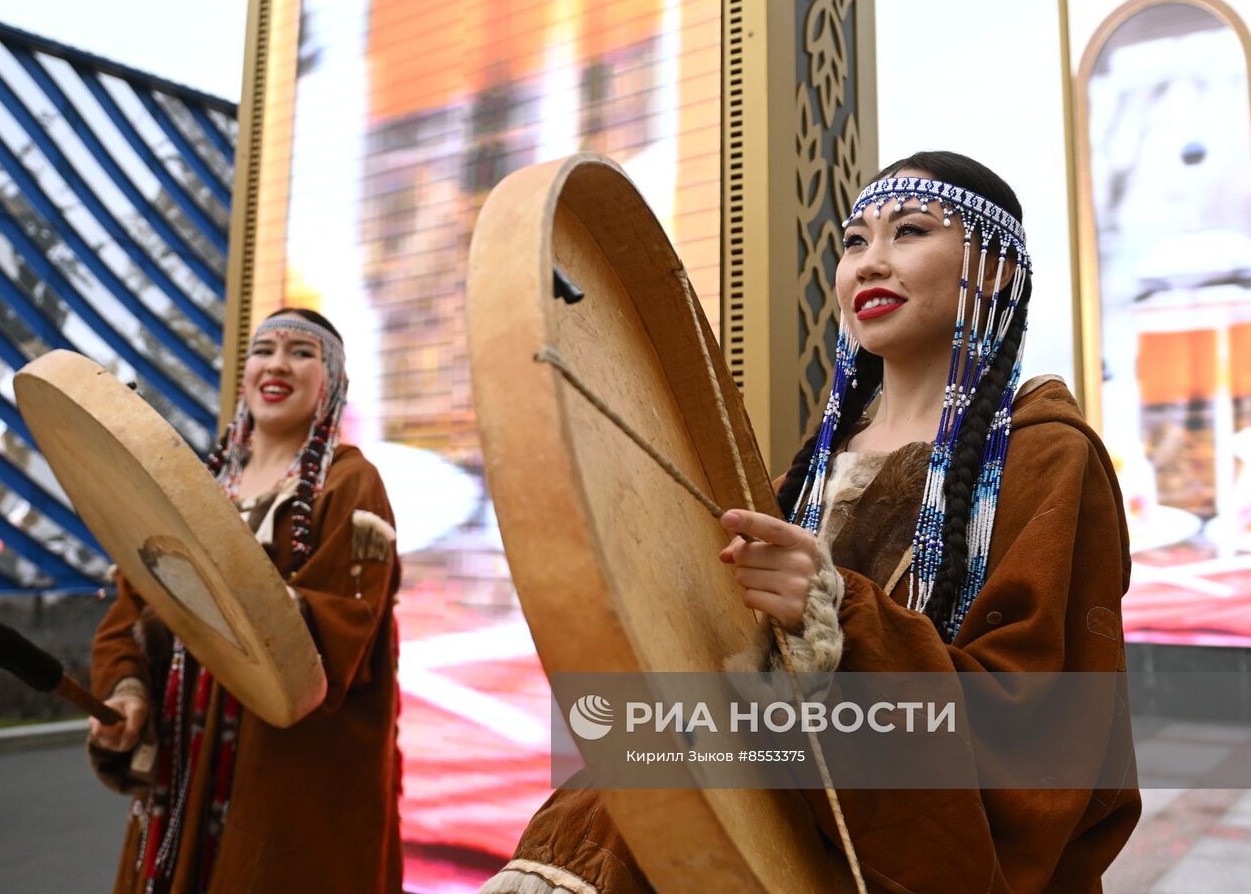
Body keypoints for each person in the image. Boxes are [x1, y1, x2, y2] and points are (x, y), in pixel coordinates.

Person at [480, 152, 1141, 893]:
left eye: (910, 232)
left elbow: (1044, 713)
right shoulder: (825, 456)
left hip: (902, 844)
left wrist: (840, 619)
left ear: (992, 272)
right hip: (771, 817)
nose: (870, 263)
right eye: (855, 242)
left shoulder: (1048, 453)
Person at [87, 308, 403, 892]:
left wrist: (212, 600)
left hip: (286, 780)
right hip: (183, 772)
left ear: (330, 382)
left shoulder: (350, 485)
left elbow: (344, 631)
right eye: (264, 350)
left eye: (302, 353)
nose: (278, 363)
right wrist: (127, 692)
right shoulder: (193, 489)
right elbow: (127, 614)